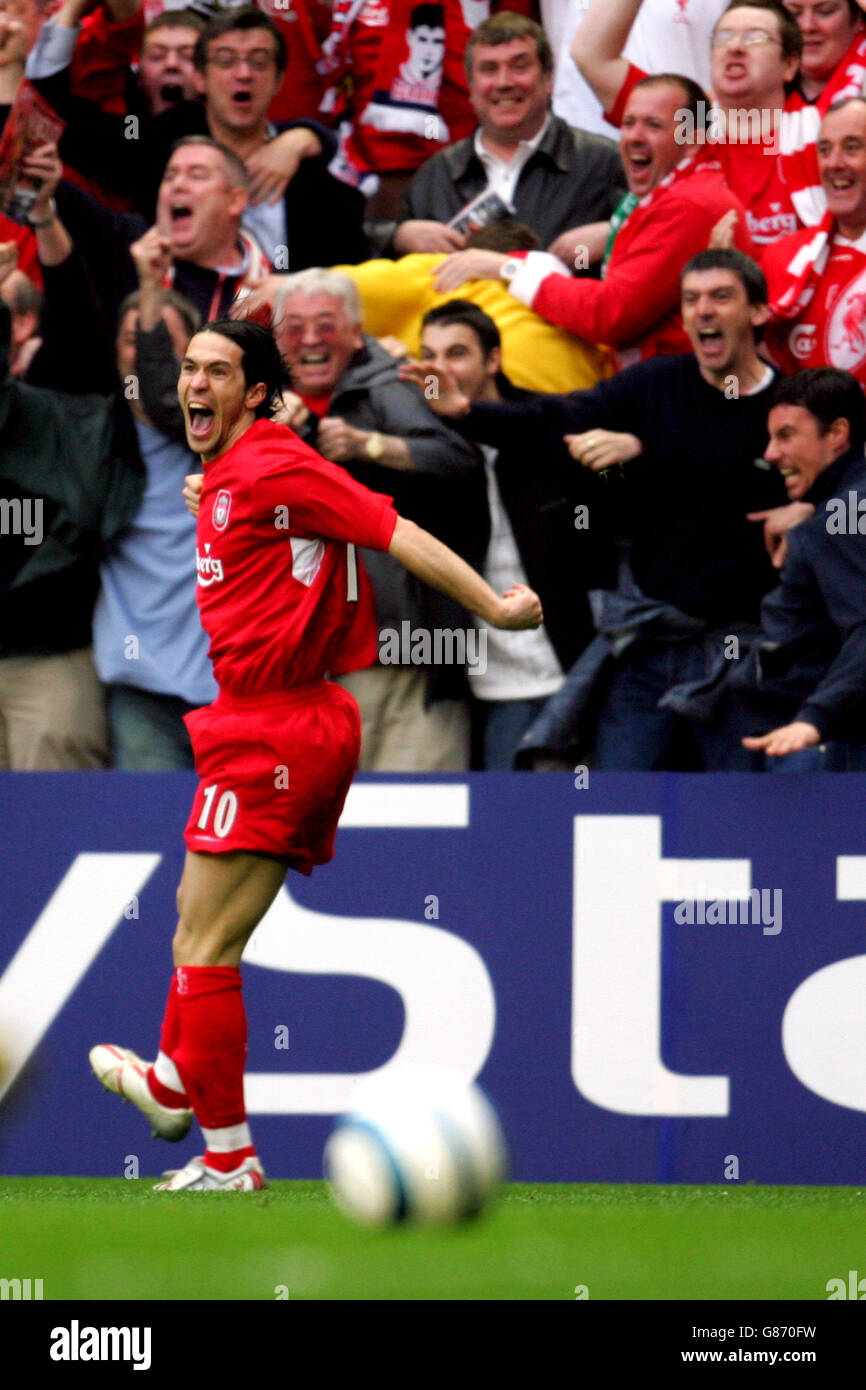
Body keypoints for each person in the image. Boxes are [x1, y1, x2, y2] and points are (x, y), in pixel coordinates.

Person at [89, 317, 542, 1192]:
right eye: (190, 368)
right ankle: (175, 1080)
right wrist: (217, 489)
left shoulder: (271, 465)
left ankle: (228, 1157)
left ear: (255, 394)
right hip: (255, 722)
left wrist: (492, 606)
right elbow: (271, 523)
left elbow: (392, 529)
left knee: (208, 947)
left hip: (279, 727)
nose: (196, 383)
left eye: (219, 372)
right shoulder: (234, 473)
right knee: (195, 918)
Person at [417, 249, 794, 769]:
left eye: (720, 297)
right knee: (616, 795)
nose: (703, 310)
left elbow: (842, 485)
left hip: (743, 645)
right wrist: (466, 412)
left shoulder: (791, 406)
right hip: (649, 637)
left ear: (758, 313)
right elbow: (559, 420)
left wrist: (814, 512)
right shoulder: (652, 384)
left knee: (741, 803)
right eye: (691, 299)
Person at [271, 268, 485, 772]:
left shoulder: (391, 382)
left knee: (417, 826)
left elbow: (459, 461)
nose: (309, 340)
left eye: (325, 324)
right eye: (294, 327)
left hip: (411, 654)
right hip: (302, 668)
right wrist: (266, 444)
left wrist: (372, 445)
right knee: (325, 839)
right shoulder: (259, 403)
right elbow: (216, 499)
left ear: (356, 330)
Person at [406, 299, 607, 766]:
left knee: (585, 818)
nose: (439, 368)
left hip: (575, 669)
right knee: (510, 825)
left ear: (493, 359)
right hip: (490, 681)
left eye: (456, 353)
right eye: (428, 355)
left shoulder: (546, 423)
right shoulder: (424, 441)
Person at [431, 73, 753, 363]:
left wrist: (507, 268)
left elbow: (609, 316)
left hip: (680, 402)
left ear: (691, 141)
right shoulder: (672, 193)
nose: (634, 137)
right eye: (628, 123)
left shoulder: (690, 204)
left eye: (653, 125)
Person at [670, 367, 866, 767]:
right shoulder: (842, 509)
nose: (770, 454)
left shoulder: (836, 521)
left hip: (811, 744)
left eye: (786, 436)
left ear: (837, 434)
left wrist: (814, 720)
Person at [392, 12, 626, 260]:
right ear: (470, 86)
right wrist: (397, 238)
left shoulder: (604, 165)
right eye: (489, 69)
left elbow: (663, 241)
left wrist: (616, 234)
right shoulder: (436, 176)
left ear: (548, 78)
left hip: (563, 299)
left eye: (519, 67)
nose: (503, 82)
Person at [763, 97, 866, 390]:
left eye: (852, 147)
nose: (834, 163)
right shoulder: (782, 258)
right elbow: (756, 370)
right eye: (825, 150)